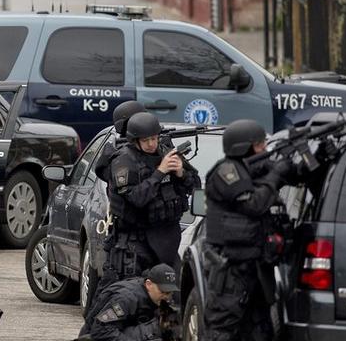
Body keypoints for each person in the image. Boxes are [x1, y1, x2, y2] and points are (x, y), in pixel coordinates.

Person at [203, 119, 291, 341]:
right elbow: (254, 204)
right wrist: (275, 176)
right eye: (260, 145)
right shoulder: (226, 172)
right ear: (245, 147)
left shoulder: (251, 170)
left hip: (256, 267)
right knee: (221, 331)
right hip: (231, 270)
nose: (265, 149)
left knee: (258, 331)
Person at [99, 112, 199, 289]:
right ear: (135, 141)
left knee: (173, 297)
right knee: (130, 295)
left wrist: (181, 173)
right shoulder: (124, 161)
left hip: (166, 240)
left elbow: (195, 186)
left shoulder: (166, 152)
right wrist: (160, 172)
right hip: (135, 244)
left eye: (154, 138)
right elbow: (136, 198)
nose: (151, 144)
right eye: (146, 140)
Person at [79, 263, 179, 341]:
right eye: (163, 292)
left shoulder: (156, 298)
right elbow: (100, 330)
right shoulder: (125, 299)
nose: (167, 297)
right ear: (149, 284)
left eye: (169, 293)